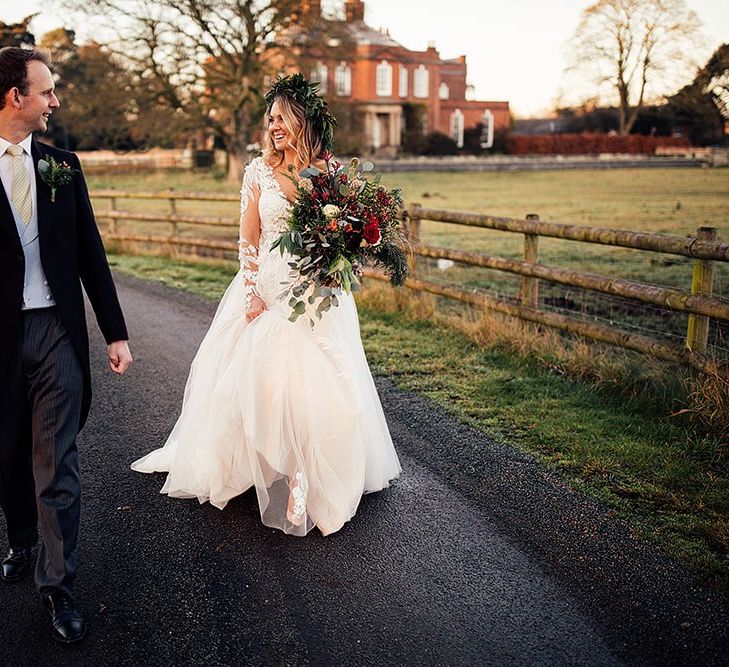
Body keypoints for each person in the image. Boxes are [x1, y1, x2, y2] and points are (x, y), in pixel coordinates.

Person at [132, 74, 400, 536]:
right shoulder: (257, 171)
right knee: (260, 380)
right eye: (269, 119)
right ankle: (257, 468)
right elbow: (248, 237)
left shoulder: (331, 175)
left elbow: (343, 235)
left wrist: (340, 259)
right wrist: (253, 289)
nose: (273, 126)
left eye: (281, 118)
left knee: (321, 382)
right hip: (267, 292)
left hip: (318, 294)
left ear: (303, 120)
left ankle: (310, 469)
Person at [0, 47, 132, 643]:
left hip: (56, 329)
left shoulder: (63, 166)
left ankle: (58, 586)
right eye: (46, 91)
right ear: (15, 97)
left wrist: (116, 331)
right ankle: (23, 544)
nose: (55, 101)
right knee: (8, 455)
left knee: (57, 462)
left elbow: (90, 255)